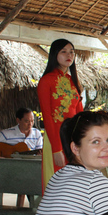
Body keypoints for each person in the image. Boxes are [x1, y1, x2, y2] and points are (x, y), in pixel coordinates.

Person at [33, 111, 108, 215]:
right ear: (75, 148)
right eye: (96, 142)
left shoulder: (57, 177)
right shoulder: (97, 184)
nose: (107, 148)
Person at [37, 39, 83, 193]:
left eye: (71, 51)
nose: (69, 55)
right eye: (63, 51)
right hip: (55, 139)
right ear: (54, 54)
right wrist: (56, 149)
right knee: (59, 183)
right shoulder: (46, 81)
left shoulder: (72, 81)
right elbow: (47, 116)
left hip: (73, 140)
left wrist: (82, 141)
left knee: (75, 184)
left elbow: (80, 116)